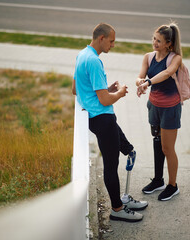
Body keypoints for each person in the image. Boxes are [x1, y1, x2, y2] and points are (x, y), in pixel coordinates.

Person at [72, 23, 148, 222]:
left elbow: (76, 89)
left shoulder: (82, 55)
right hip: (102, 118)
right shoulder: (95, 62)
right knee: (111, 165)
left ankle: (123, 199)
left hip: (97, 117)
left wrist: (106, 88)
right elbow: (105, 100)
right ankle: (117, 208)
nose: (113, 45)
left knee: (128, 149)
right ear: (101, 38)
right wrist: (119, 93)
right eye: (112, 41)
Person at [136, 22, 183, 201]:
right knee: (157, 142)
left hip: (170, 108)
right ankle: (158, 180)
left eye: (159, 41)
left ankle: (172, 185)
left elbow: (166, 73)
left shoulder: (175, 58)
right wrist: (139, 82)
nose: (154, 43)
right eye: (154, 39)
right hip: (154, 106)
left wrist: (147, 82)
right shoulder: (148, 57)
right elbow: (140, 76)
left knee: (167, 148)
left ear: (168, 44)